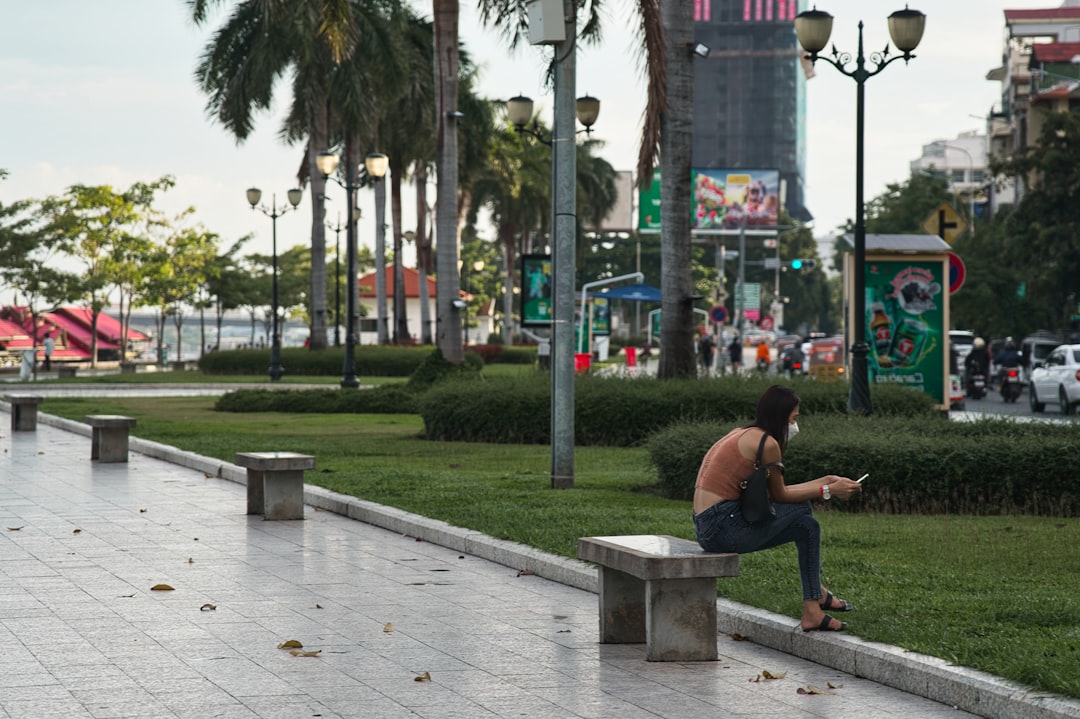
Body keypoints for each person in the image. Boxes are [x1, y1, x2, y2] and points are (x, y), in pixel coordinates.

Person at [692, 385, 862, 632]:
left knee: (806, 526)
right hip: (723, 528)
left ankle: (813, 608)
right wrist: (828, 491)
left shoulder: (742, 433)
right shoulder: (767, 443)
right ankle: (817, 593)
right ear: (781, 417)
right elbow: (782, 496)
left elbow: (775, 493)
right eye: (793, 419)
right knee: (802, 508)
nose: (794, 425)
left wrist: (826, 480)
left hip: (708, 526)